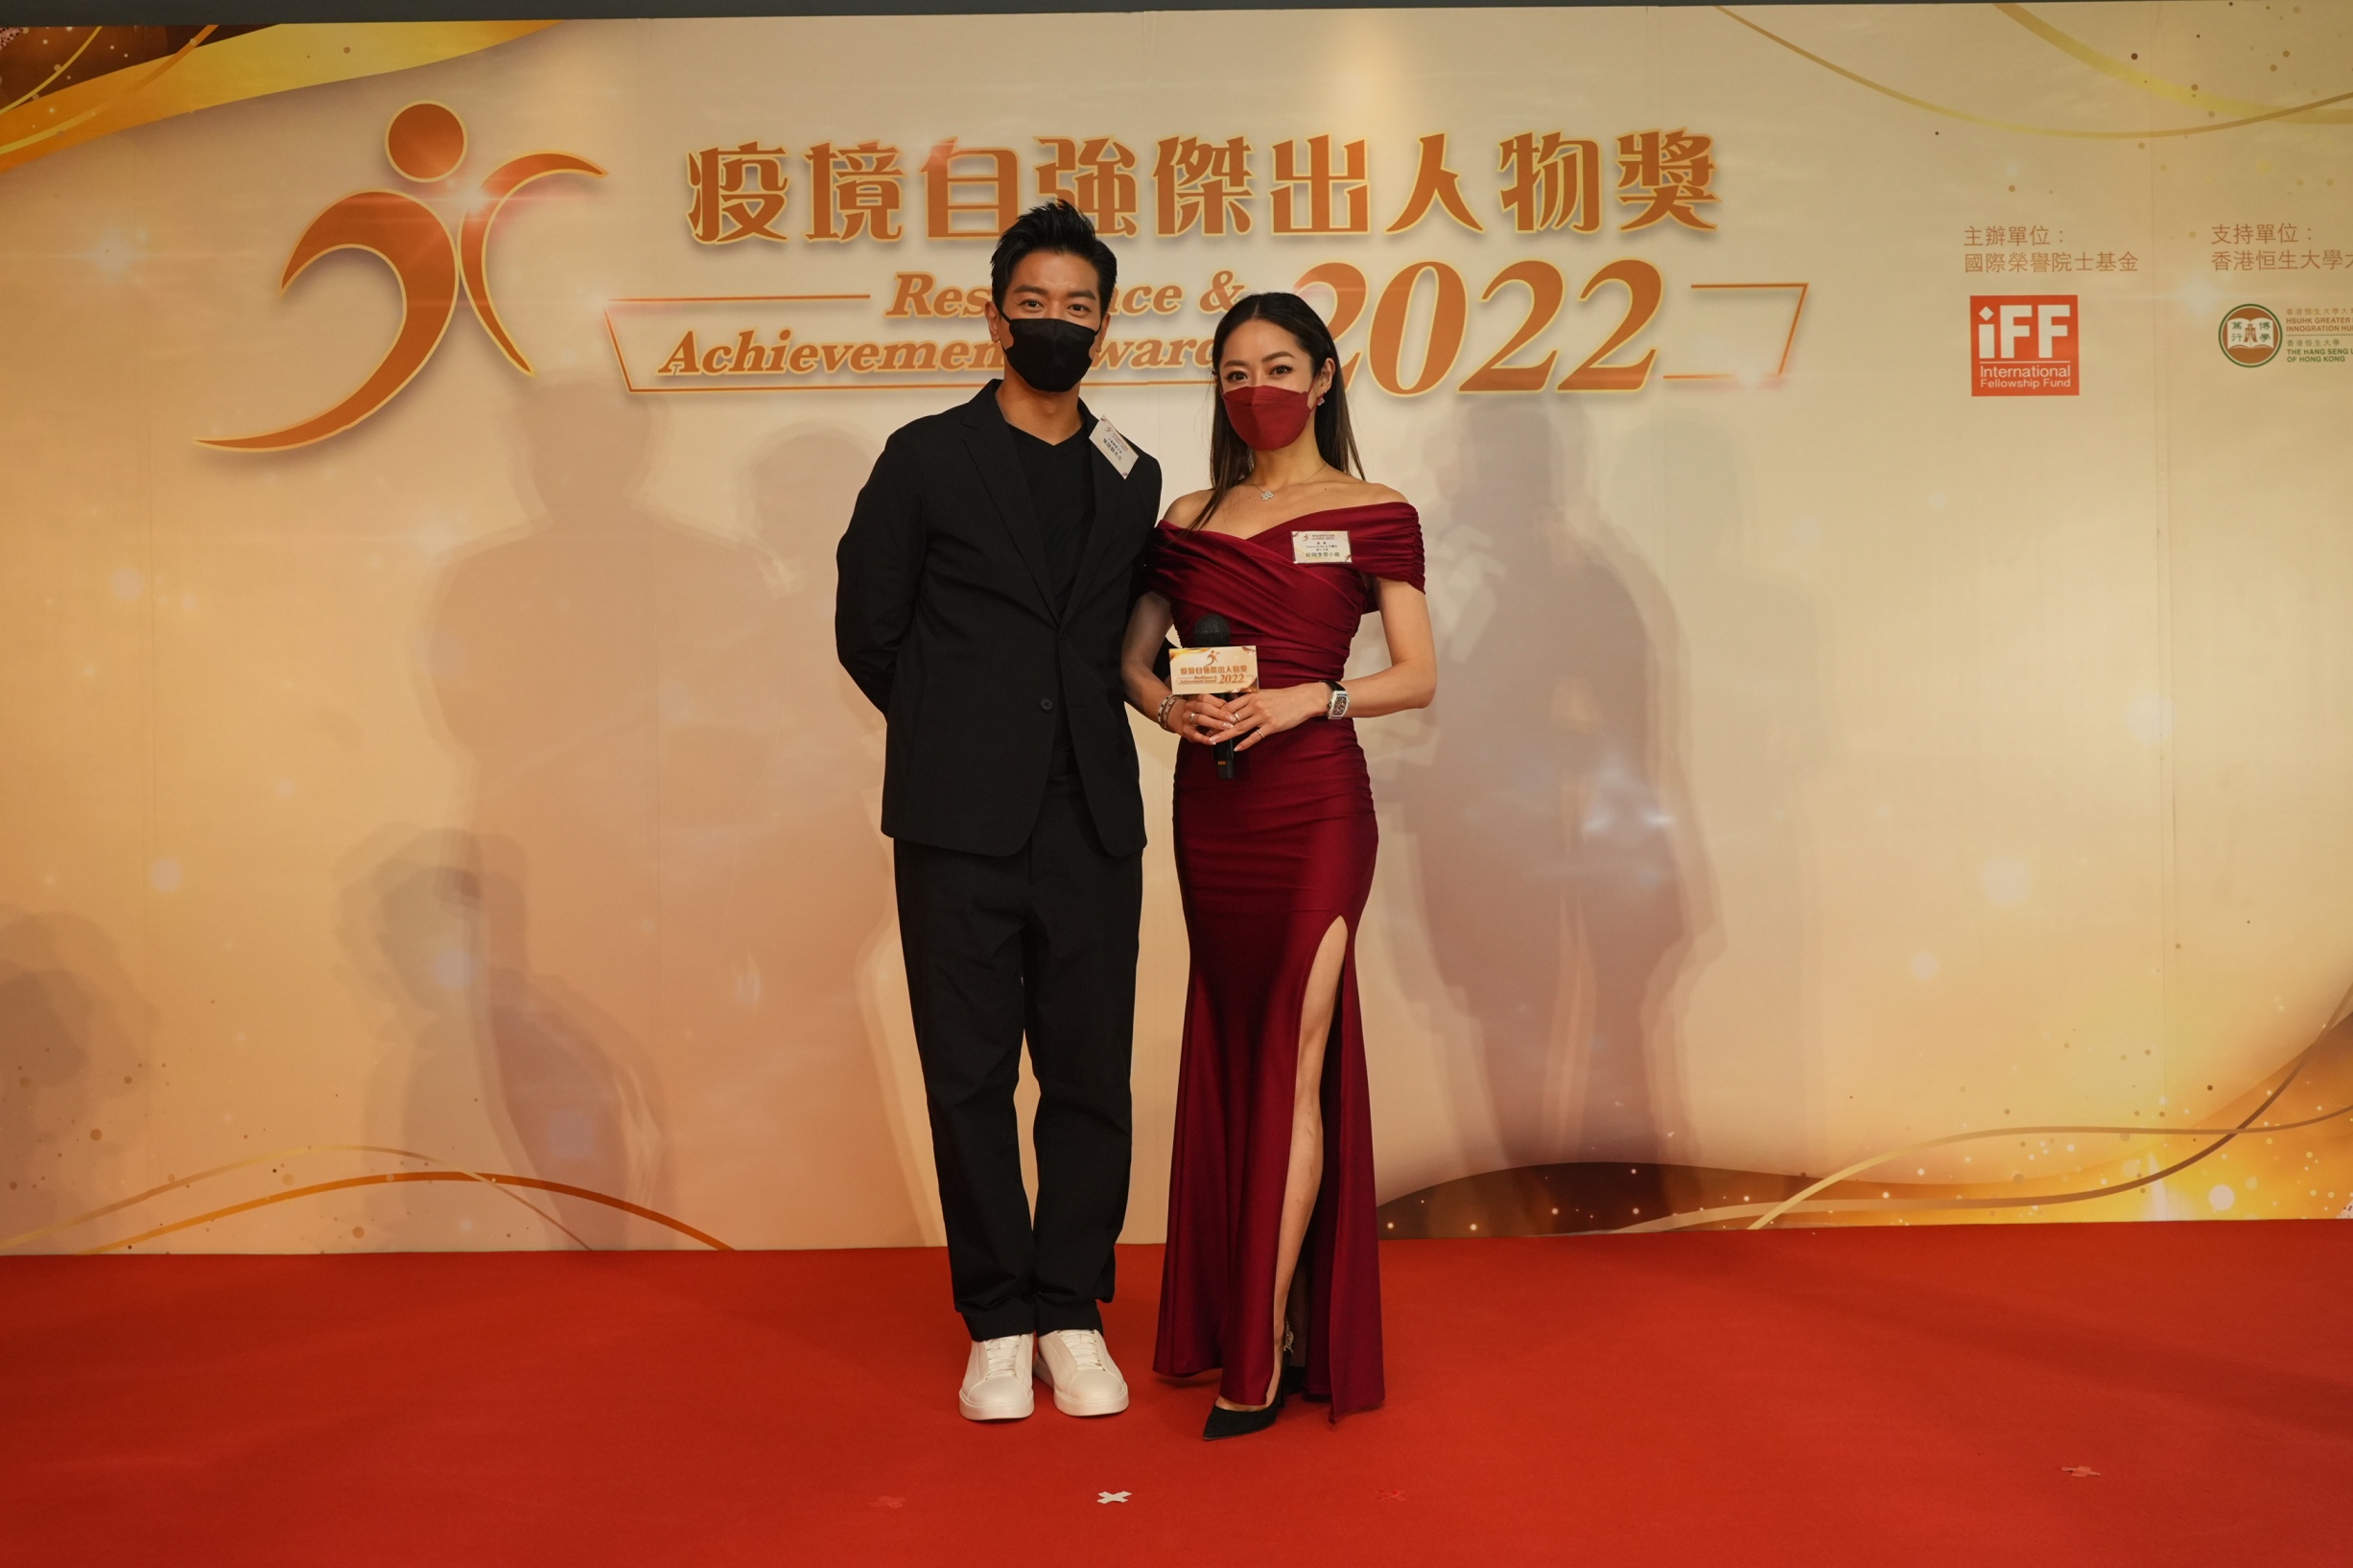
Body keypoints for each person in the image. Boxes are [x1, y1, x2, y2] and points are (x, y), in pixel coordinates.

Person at [835, 200, 1163, 1423]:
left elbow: (1128, 636)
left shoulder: (1131, 473)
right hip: (956, 822)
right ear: (993, 316)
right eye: (1034, 304)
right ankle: (996, 1318)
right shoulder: (925, 456)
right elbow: (867, 629)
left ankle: (1069, 1308)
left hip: (1092, 819)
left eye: (1079, 307)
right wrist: (959, 735)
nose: (1055, 324)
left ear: (1104, 326)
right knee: (966, 1077)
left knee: (1089, 1076)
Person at [1119, 292, 1436, 1438]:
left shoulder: (1373, 510)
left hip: (1314, 809)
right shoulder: (1188, 513)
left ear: (1323, 376)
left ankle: (1253, 1349)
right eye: (1234, 372)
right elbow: (1130, 656)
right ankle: (1258, 1318)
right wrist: (1169, 707)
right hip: (1212, 806)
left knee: (1292, 1058)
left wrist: (1315, 697)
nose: (1256, 389)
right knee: (1235, 1044)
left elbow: (1416, 674)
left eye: (1278, 367)